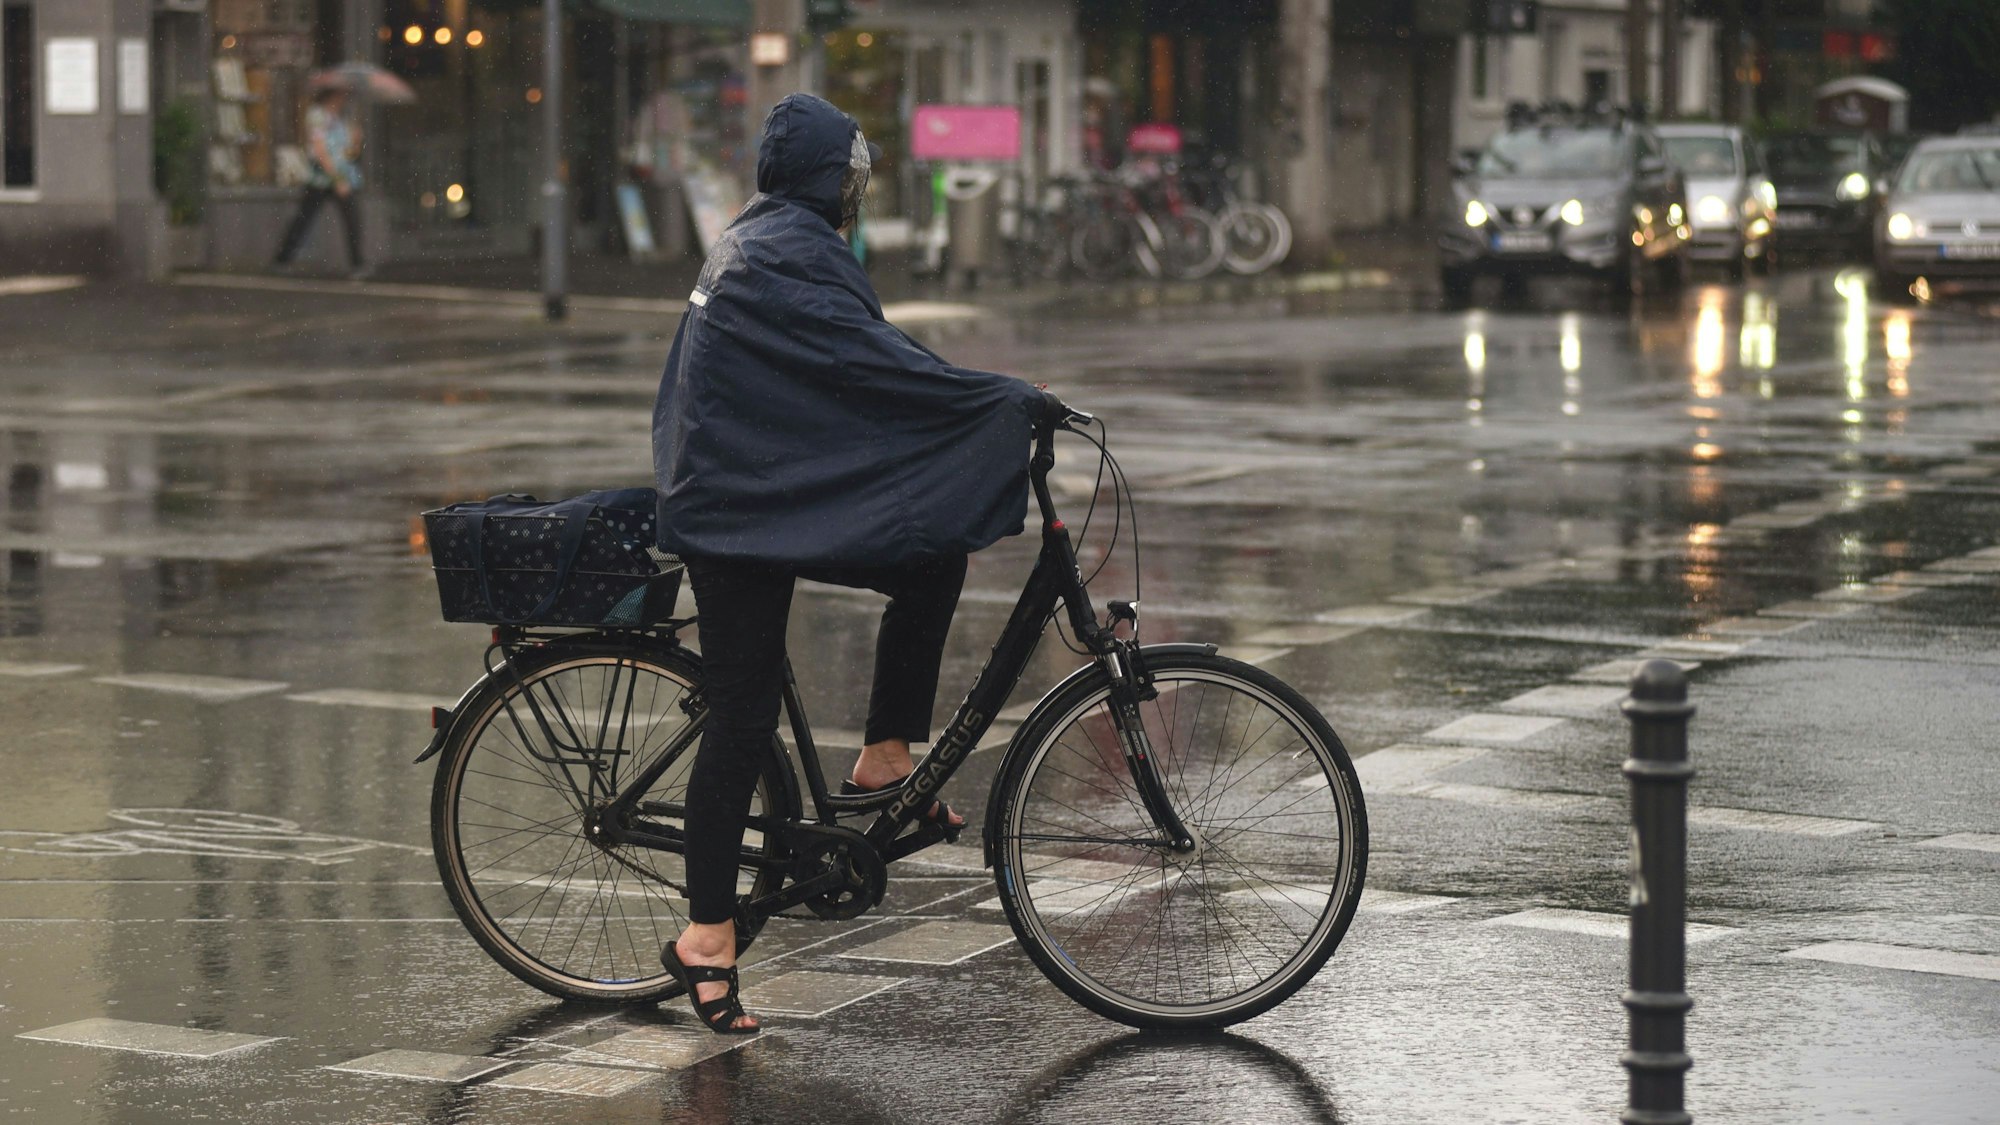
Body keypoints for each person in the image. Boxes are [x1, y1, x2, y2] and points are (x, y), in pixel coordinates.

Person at [650, 93, 1041, 1034]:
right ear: (826, 181)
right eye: (849, 176)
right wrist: (1002, 399)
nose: (855, 192)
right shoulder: (790, 252)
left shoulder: (773, 237)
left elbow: (859, 366)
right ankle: (706, 937)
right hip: (734, 507)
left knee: (930, 556)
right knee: (742, 712)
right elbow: (879, 368)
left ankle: (884, 754)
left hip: (759, 486)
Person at [273, 86, 367, 277]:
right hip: (322, 178)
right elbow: (319, 149)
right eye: (341, 94)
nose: (343, 99)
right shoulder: (318, 116)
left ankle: (358, 262)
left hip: (341, 175)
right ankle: (283, 258)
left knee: (350, 219)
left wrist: (356, 139)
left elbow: (349, 152)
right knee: (305, 218)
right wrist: (337, 178)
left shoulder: (341, 119)